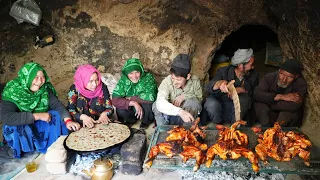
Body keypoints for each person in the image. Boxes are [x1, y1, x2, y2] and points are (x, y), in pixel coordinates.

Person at [0, 62, 80, 158]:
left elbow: (56, 105)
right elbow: (6, 117)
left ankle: (52, 147)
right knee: (14, 126)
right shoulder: (13, 92)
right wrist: (37, 116)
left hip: (37, 126)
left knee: (55, 115)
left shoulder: (44, 89)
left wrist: (68, 120)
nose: (40, 81)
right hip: (23, 129)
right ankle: (21, 150)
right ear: (27, 77)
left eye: (42, 77)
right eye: (36, 77)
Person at [201, 48, 259, 125]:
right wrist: (220, 84)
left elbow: (256, 95)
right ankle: (218, 126)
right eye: (251, 64)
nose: (253, 67)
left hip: (238, 111)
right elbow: (210, 86)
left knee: (244, 99)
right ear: (240, 66)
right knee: (211, 103)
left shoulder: (254, 75)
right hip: (221, 107)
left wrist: (243, 90)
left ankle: (235, 127)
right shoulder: (223, 71)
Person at [254, 59, 307, 127]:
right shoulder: (270, 77)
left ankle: (278, 130)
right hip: (270, 113)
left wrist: (269, 102)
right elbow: (257, 94)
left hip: (285, 115)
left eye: (289, 77)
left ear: (296, 76)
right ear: (279, 71)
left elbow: (294, 106)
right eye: (282, 74)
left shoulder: (300, 83)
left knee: (288, 113)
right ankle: (266, 127)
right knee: (260, 105)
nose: (284, 80)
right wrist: (280, 96)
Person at [153, 54, 203, 126]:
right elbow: (160, 102)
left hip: (186, 117)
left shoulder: (195, 81)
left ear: (188, 76)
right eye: (173, 78)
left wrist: (184, 96)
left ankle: (186, 131)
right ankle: (163, 130)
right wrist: (180, 111)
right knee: (156, 105)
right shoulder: (166, 82)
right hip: (169, 116)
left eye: (178, 80)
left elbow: (199, 100)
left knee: (193, 102)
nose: (174, 82)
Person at [112, 58, 157, 129]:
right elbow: (115, 100)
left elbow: (151, 96)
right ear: (126, 74)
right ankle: (130, 121)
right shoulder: (123, 81)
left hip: (144, 107)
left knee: (148, 105)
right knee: (120, 109)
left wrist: (132, 98)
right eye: (131, 73)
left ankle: (145, 122)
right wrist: (133, 103)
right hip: (132, 107)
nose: (134, 76)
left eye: (137, 72)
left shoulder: (148, 78)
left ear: (141, 71)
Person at [67, 64, 114, 128]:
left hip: (101, 123)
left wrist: (104, 114)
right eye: (90, 81)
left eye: (97, 80)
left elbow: (110, 107)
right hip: (82, 125)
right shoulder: (74, 89)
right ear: (82, 80)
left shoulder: (102, 87)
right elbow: (70, 110)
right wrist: (82, 117)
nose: (95, 84)